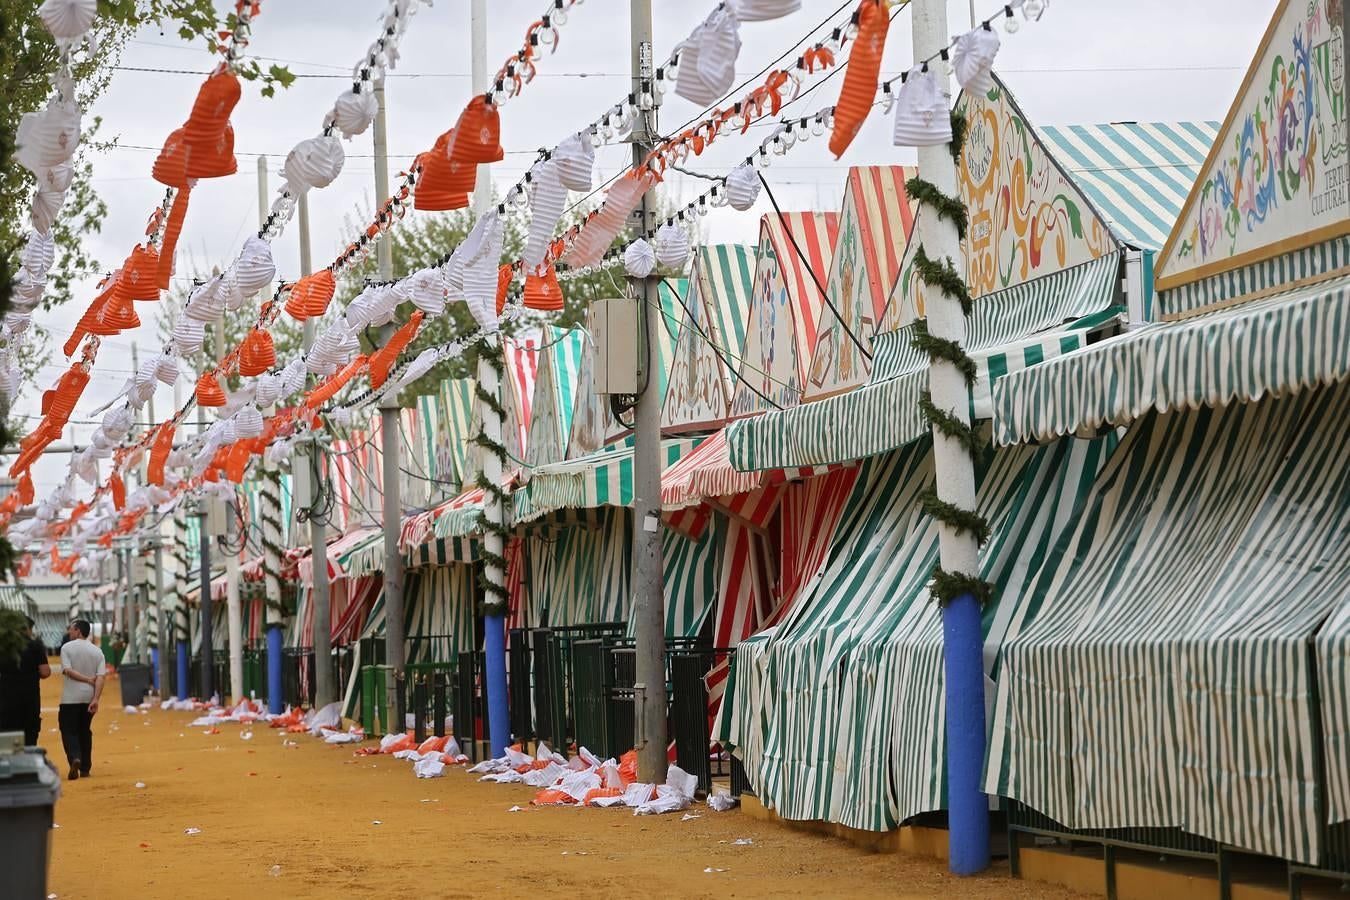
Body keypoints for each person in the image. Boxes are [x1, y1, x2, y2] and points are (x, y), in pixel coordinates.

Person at [58, 619, 106, 781]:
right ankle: (85, 768)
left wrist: (85, 679)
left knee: (69, 730)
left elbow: (68, 671)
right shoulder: (97, 651)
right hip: (89, 698)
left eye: (71, 630)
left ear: (78, 631)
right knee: (85, 731)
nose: (69, 632)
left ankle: (75, 757)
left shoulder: (66, 648)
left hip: (70, 698)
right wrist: (96, 699)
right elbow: (100, 678)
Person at [0, 615, 51, 745]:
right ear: (28, 629)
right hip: (30, 697)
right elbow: (45, 672)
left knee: (8, 736)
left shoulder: (4, 647)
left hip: (6, 698)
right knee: (30, 736)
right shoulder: (36, 646)